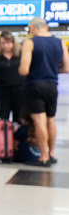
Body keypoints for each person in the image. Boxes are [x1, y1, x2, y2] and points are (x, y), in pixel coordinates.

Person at [19, 17, 69, 166]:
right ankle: (52, 153)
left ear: (32, 28)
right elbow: (66, 68)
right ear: (46, 26)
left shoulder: (30, 43)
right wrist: (51, 71)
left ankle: (43, 156)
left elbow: (24, 70)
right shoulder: (60, 42)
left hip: (35, 85)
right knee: (51, 119)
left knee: (39, 120)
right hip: (52, 85)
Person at [0, 31, 23, 121]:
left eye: (8, 43)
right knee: (2, 119)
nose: (5, 46)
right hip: (2, 92)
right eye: (3, 43)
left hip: (19, 91)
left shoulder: (20, 55)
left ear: (13, 42)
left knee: (19, 119)